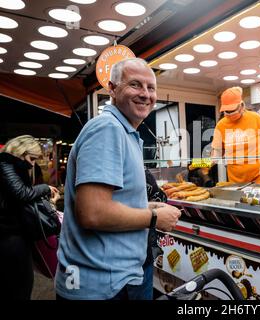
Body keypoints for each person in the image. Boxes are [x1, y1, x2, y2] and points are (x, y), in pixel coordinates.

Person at [55, 58, 182, 300]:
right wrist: (154, 217)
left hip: (115, 279)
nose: (145, 94)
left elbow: (109, 200)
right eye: (135, 85)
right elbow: (93, 212)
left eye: (151, 87)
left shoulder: (125, 132)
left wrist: (143, 205)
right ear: (112, 88)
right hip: (102, 286)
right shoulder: (107, 129)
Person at [0, 135, 59, 299]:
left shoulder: (11, 165)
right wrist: (45, 188)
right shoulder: (5, 163)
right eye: (32, 159)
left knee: (20, 283)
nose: (32, 164)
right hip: (9, 237)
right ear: (21, 151)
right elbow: (22, 193)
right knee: (18, 285)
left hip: (14, 235)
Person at [211, 86, 260, 184]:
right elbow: (217, 152)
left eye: (232, 110)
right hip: (236, 177)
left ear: (242, 105)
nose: (230, 114)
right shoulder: (221, 125)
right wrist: (202, 163)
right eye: (227, 111)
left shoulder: (255, 118)